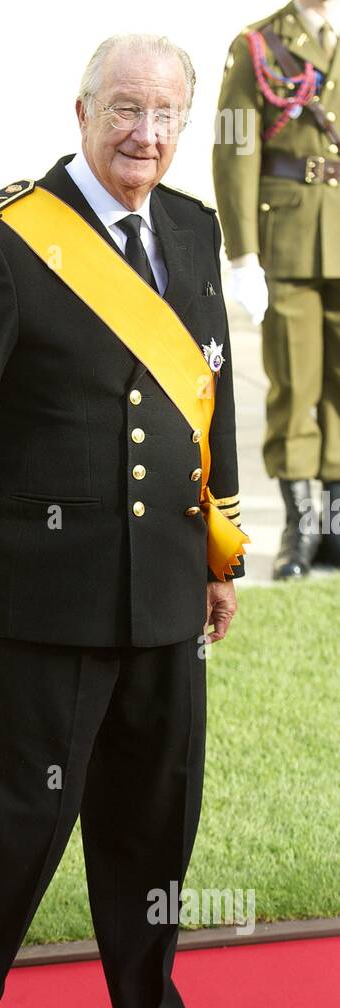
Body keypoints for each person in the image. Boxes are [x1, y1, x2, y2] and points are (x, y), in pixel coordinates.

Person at [0, 34, 249, 1008]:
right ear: (83, 108)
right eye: (126, 109)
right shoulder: (3, 241)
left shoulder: (189, 225)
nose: (146, 133)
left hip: (162, 592)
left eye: (167, 115)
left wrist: (221, 552)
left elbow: (209, 393)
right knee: (29, 819)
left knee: (155, 823)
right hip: (45, 596)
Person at [214, 0, 340, 578]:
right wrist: (243, 254)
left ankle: (334, 522)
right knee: (295, 381)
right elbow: (236, 146)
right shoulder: (257, 45)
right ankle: (300, 523)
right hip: (288, 235)